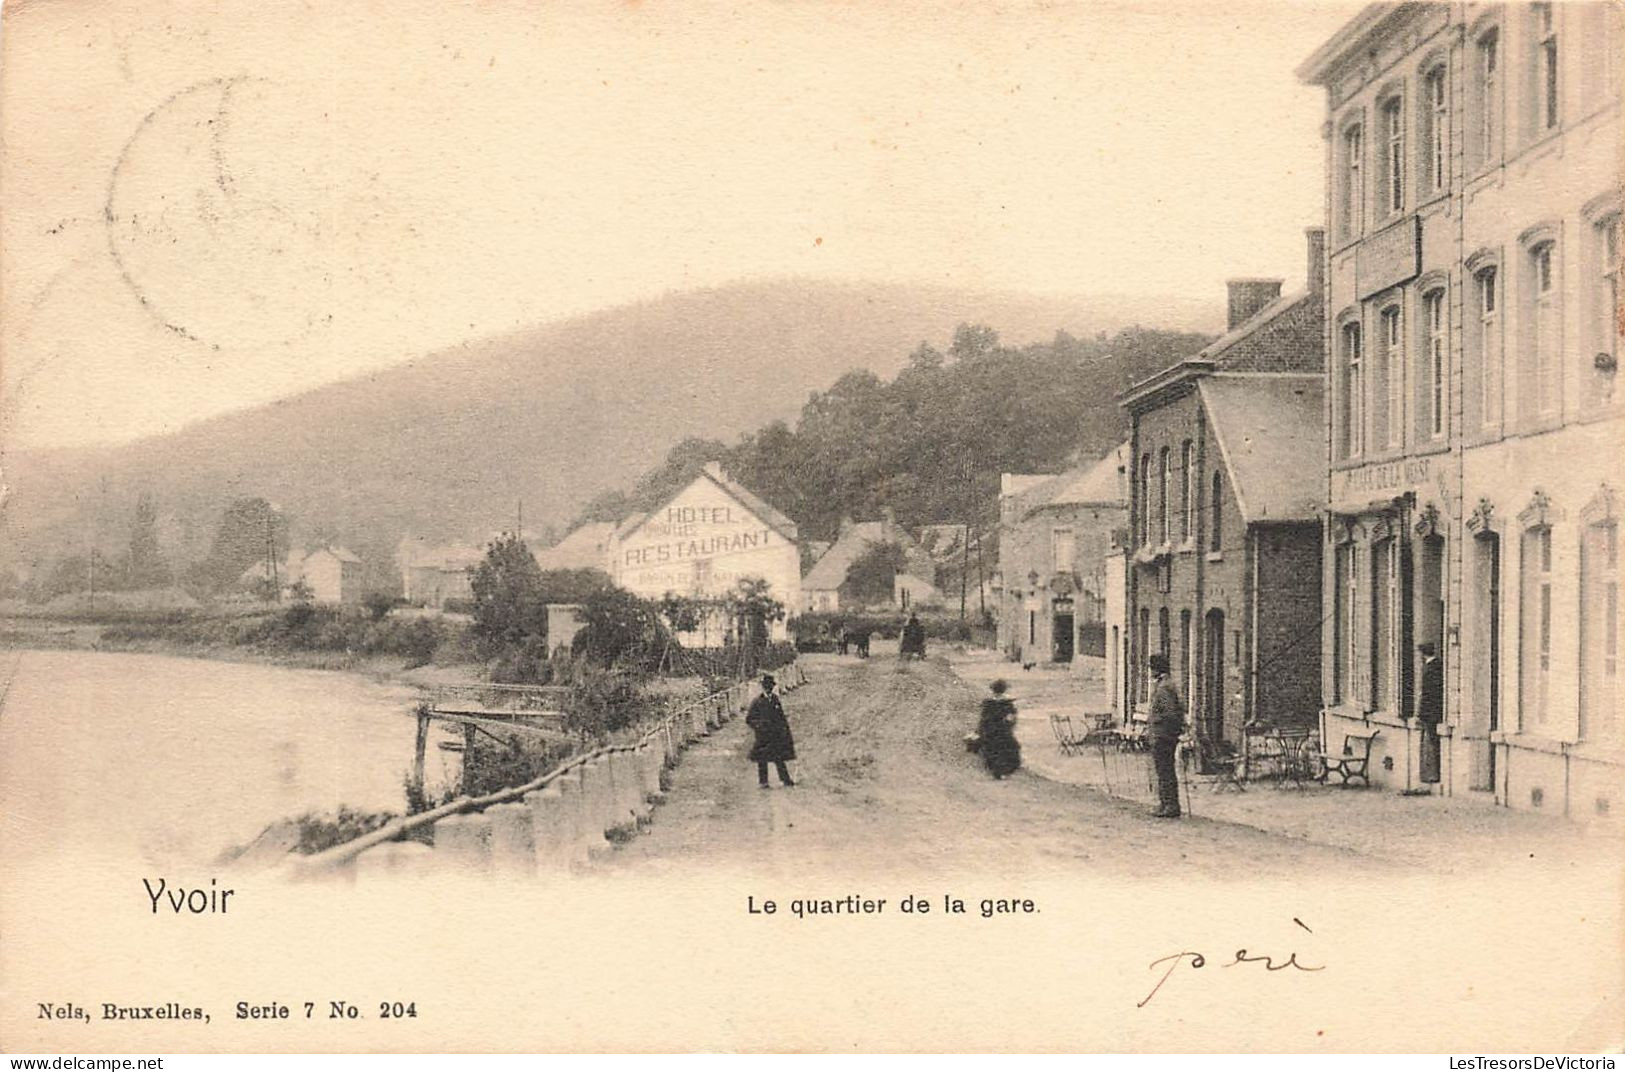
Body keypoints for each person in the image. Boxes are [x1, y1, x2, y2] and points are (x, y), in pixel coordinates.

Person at [1147, 653, 1184, 818]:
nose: (1150, 672)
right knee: (1163, 770)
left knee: (1165, 770)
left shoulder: (1164, 688)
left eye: (1152, 668)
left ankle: (1170, 805)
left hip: (1164, 736)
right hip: (1164, 734)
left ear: (1157, 669)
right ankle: (1165, 803)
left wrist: (1157, 724)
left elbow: (1169, 714)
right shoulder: (1166, 684)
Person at [746, 674, 796, 788]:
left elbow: (781, 716)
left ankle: (785, 779)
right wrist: (759, 726)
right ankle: (763, 782)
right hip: (763, 735)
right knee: (762, 758)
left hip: (775, 734)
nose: (769, 688)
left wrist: (784, 730)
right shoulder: (757, 701)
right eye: (767, 686)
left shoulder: (775, 699)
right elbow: (749, 719)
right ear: (763, 687)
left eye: (770, 686)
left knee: (779, 757)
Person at [977, 679, 1021, 779]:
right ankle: (1003, 771)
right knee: (1008, 748)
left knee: (992, 749)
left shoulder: (988, 702)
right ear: (1004, 689)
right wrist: (1011, 726)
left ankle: (996, 771)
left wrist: (981, 730)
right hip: (1002, 729)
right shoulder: (1007, 702)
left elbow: (983, 718)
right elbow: (1011, 717)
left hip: (990, 729)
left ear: (993, 690)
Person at [1416, 642, 1443, 785]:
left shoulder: (1430, 669)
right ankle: (1432, 773)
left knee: (1432, 742)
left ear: (1423, 654)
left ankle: (1433, 774)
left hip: (1430, 712)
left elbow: (1427, 694)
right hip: (1434, 711)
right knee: (1432, 742)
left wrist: (1421, 713)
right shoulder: (1437, 665)